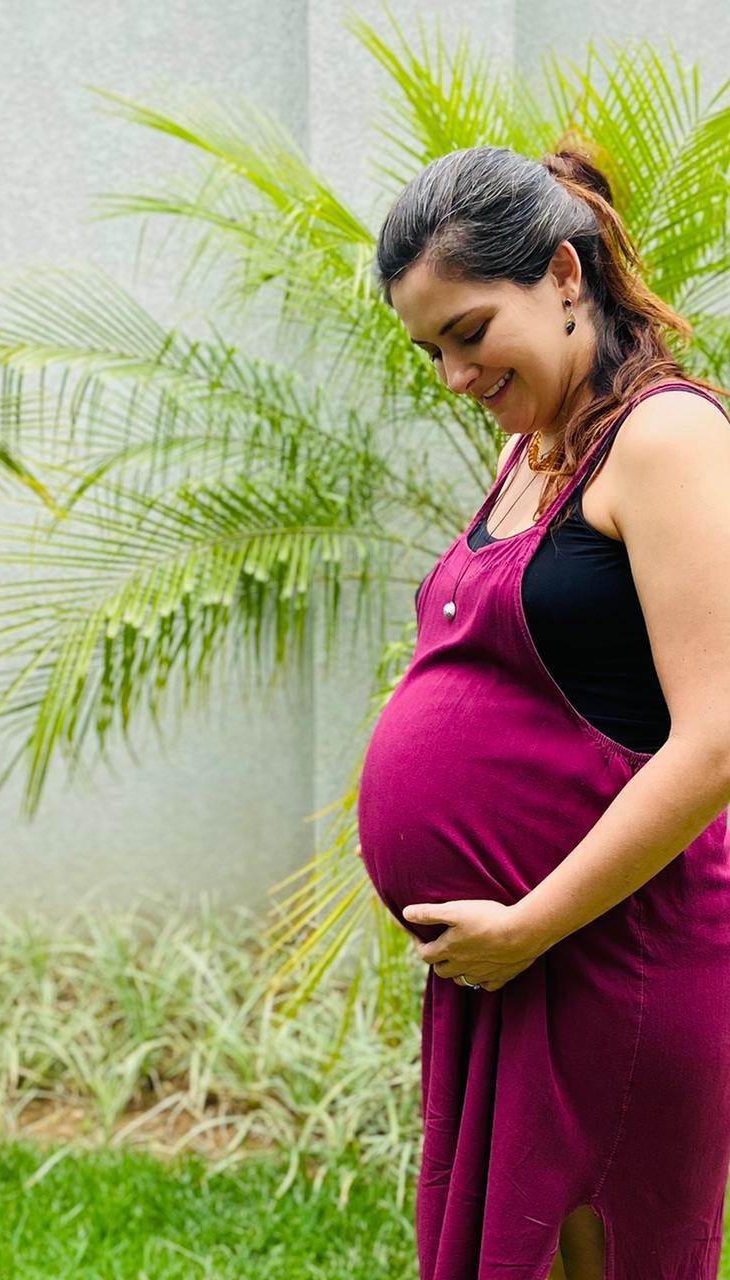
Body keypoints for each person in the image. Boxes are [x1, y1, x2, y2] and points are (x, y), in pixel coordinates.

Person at [356, 144, 730, 1280]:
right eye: (429, 351)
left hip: (612, 954)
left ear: (563, 275)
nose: (452, 375)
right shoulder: (536, 449)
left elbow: (715, 737)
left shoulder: (663, 438)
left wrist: (531, 922)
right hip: (521, 959)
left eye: (469, 333)